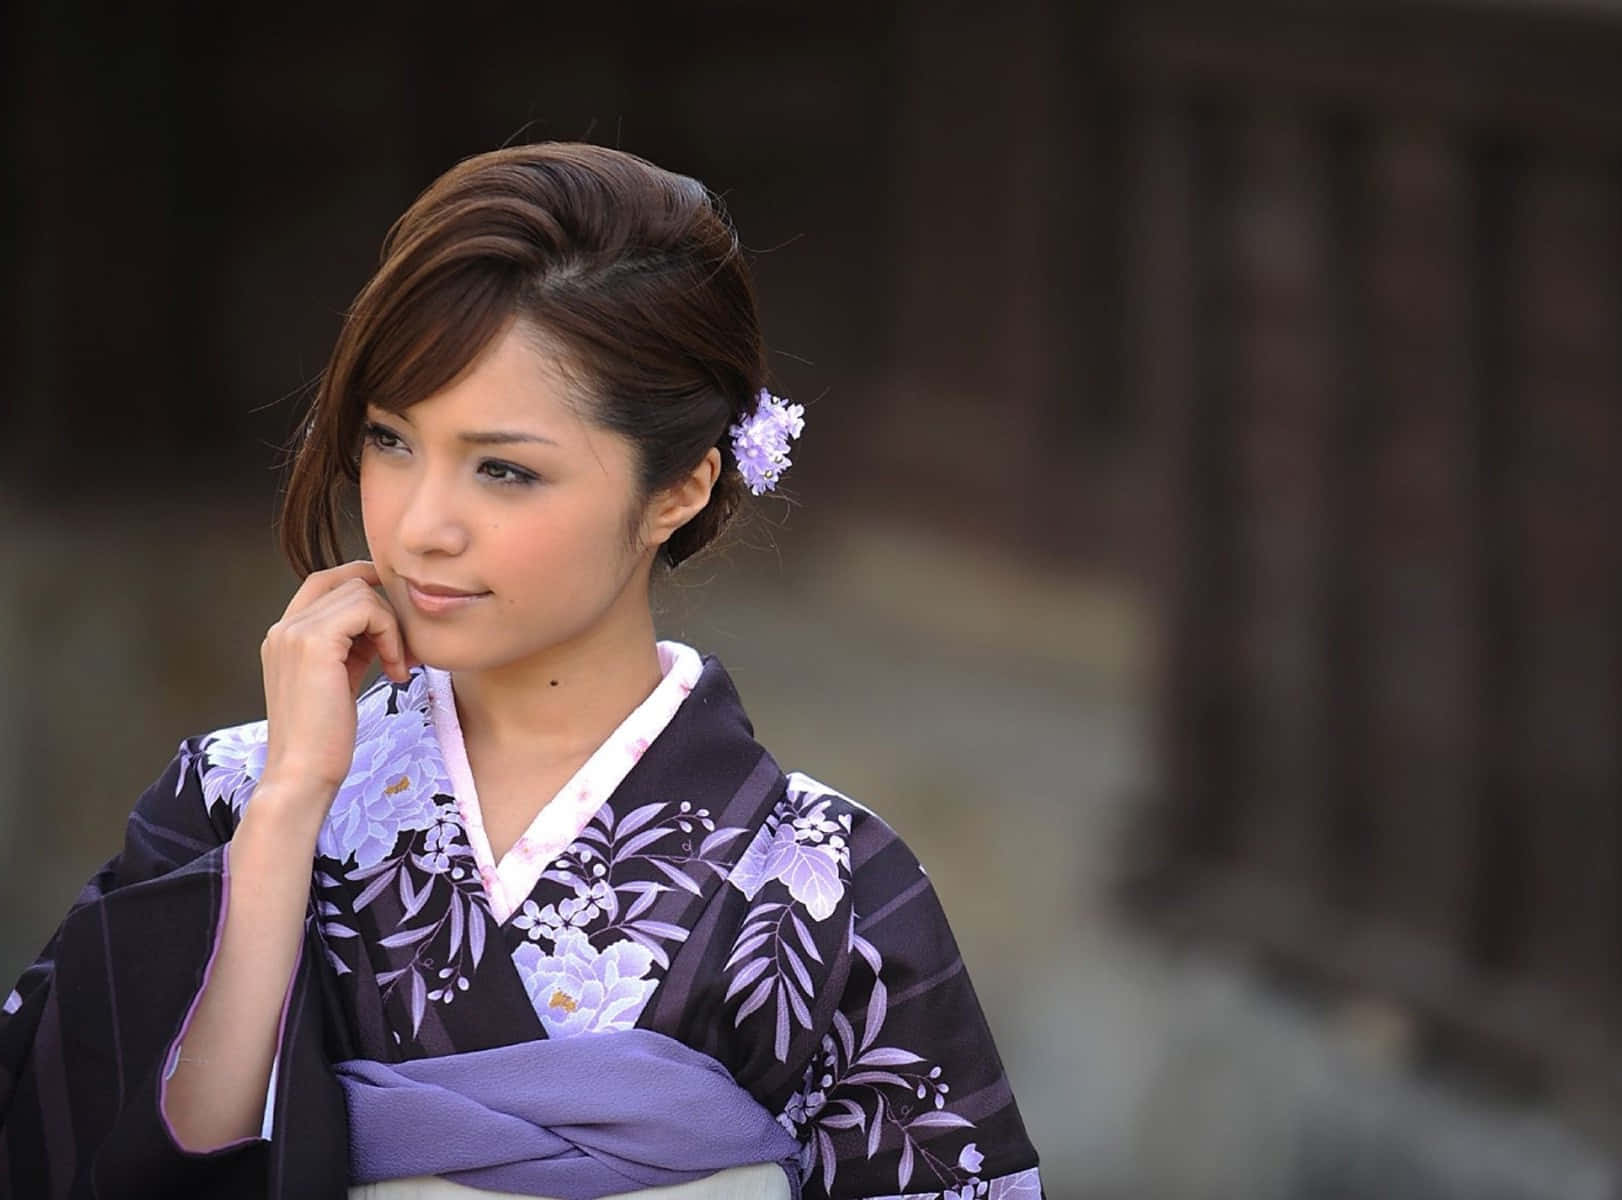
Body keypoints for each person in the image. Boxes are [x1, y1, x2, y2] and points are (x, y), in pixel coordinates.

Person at [0, 143, 1044, 1200]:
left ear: (679, 488)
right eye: (389, 441)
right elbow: (80, 1159)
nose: (420, 526)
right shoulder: (231, 796)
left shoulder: (826, 885)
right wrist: (285, 817)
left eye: (504, 469)